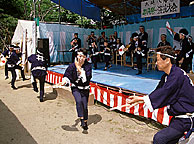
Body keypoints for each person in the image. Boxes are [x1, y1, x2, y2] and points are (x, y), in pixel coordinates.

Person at [127, 46, 194, 144]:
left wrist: (141, 99)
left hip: (187, 120)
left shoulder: (177, 75)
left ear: (167, 60)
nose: (156, 63)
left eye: (157, 60)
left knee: (160, 138)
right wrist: (139, 100)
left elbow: (165, 92)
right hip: (178, 118)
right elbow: (158, 92)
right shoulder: (167, 76)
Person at [60, 48, 92, 130]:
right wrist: (64, 81)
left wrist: (79, 69)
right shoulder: (71, 66)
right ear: (77, 56)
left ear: (86, 57)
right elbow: (67, 75)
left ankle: (85, 121)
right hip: (76, 87)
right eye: (80, 56)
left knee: (85, 106)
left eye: (83, 56)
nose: (81, 58)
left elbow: (86, 79)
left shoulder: (88, 66)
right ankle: (81, 119)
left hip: (85, 88)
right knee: (79, 101)